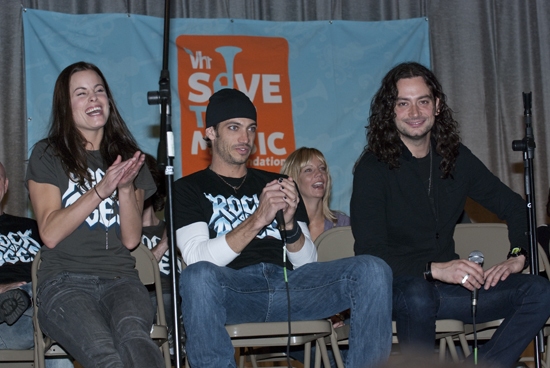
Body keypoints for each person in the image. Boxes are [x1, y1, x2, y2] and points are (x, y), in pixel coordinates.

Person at [173, 88, 392, 368]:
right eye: (233, 128)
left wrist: (289, 226)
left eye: (251, 128)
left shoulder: (278, 182)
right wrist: (258, 219)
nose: (245, 138)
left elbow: (308, 262)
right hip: (235, 292)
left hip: (290, 289)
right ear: (211, 133)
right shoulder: (187, 189)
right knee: (198, 277)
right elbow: (195, 260)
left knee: (373, 270)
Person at [351, 61, 550, 367]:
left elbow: (515, 206)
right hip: (398, 292)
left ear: (437, 106)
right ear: (389, 110)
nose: (415, 113)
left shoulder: (454, 157)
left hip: (449, 291)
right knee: (418, 294)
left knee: (538, 290)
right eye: (403, 103)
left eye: (423, 102)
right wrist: (435, 269)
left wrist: (518, 254)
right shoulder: (372, 168)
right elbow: (370, 256)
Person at [25, 61, 164, 368]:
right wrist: (101, 189)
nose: (94, 98)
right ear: (66, 105)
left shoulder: (128, 157)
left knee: (134, 338)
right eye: (82, 93)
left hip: (121, 280)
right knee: (103, 353)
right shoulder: (47, 154)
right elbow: (49, 232)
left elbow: (130, 239)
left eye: (99, 90)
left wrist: (125, 189)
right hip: (64, 283)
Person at [0, 161, 73, 368]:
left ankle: (26, 297)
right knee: (58, 333)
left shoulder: (36, 228)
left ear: (5, 185)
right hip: (10, 323)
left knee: (57, 347)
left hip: (37, 311)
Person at [141, 153, 183, 355]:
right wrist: (165, 243)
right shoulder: (119, 235)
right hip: (143, 298)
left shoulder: (174, 227)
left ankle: (178, 345)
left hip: (178, 297)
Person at [281, 147, 350, 242]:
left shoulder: (343, 224)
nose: (319, 174)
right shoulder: (280, 227)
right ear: (292, 180)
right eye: (308, 170)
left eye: (322, 168)